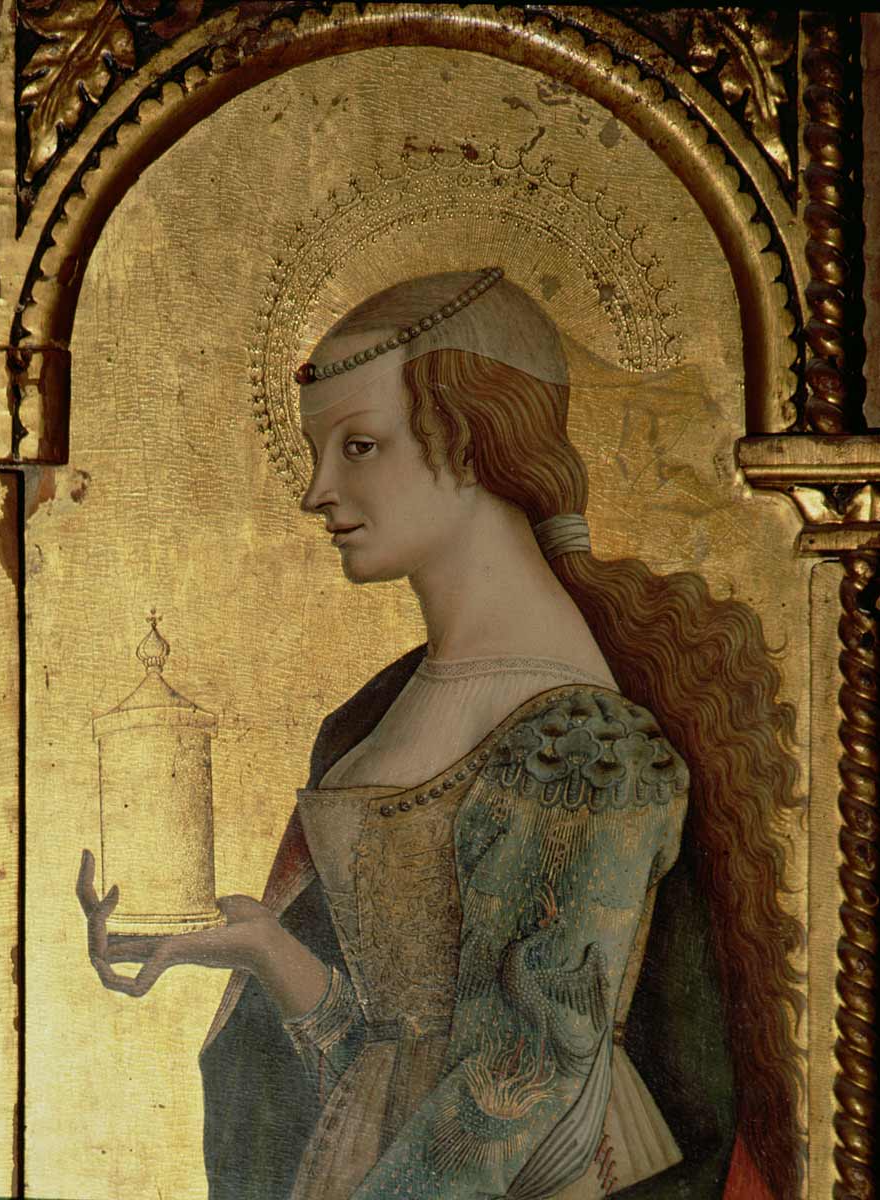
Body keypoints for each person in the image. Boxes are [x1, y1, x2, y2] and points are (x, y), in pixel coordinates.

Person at [79, 269, 804, 1200]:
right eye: (318, 452)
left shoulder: (581, 737)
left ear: (468, 440)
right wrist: (266, 950)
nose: (317, 491)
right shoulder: (378, 713)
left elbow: (522, 1080)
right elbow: (397, 1058)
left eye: (358, 446)